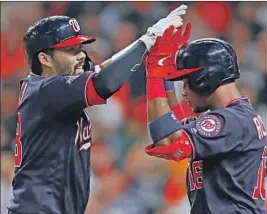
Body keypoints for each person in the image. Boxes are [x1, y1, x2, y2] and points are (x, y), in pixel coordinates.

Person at [7, 5, 189, 214]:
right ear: (45, 59)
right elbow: (103, 83)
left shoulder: (51, 87)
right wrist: (146, 41)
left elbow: (100, 70)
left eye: (79, 48)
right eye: (70, 50)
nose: (81, 55)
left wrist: (145, 42)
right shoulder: (48, 90)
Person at [144, 25, 267, 214]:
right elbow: (175, 124)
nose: (183, 92)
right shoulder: (237, 117)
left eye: (186, 82)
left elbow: (168, 139)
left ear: (204, 78)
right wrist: (165, 78)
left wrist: (154, 74)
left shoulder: (232, 120)